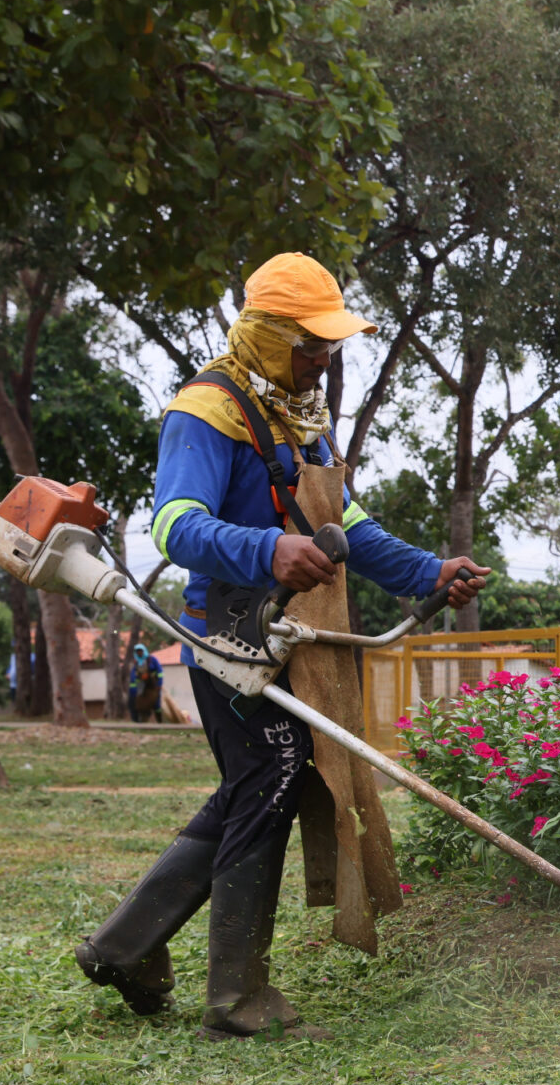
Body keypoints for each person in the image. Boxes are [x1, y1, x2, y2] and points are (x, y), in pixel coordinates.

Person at [73, 253, 489, 1039]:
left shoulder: (304, 418)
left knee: (260, 780)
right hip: (225, 634)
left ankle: (124, 946)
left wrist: (427, 571)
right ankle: (235, 999)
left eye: (331, 343)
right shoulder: (206, 411)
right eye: (310, 344)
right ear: (266, 334)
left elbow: (345, 524)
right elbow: (174, 524)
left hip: (288, 633)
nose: (323, 358)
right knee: (272, 769)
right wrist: (267, 549)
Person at [125, 643, 163, 723]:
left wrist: (159, 683)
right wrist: (133, 688)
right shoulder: (136, 662)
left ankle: (160, 722)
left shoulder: (152, 660)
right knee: (141, 704)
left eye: (140, 651)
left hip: (153, 686)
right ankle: (142, 722)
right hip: (141, 686)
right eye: (137, 651)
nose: (139, 653)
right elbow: (133, 676)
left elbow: (160, 672)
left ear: (144, 651)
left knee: (156, 703)